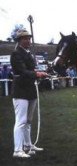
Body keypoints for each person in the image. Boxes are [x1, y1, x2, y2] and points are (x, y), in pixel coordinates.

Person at [11, 29, 48, 158]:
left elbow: (30, 70)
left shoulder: (28, 54)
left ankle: (28, 145)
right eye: (25, 38)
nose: (28, 40)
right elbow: (22, 71)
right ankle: (17, 150)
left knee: (28, 121)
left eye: (29, 38)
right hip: (20, 91)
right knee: (20, 121)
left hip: (31, 90)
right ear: (19, 40)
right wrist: (37, 74)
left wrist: (39, 73)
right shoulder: (16, 54)